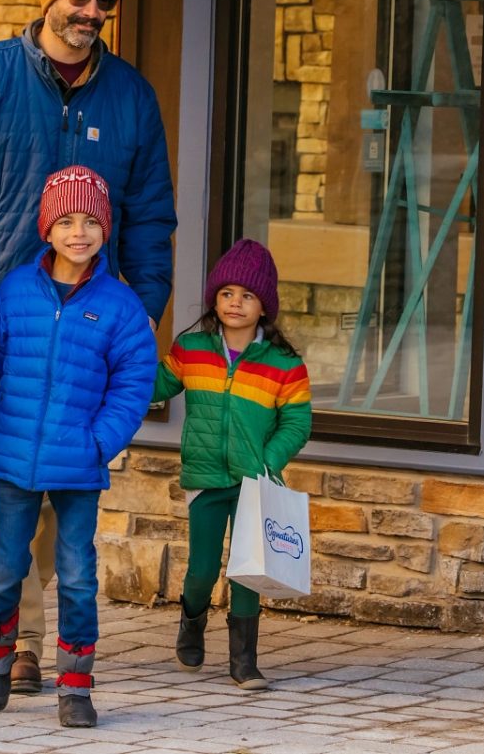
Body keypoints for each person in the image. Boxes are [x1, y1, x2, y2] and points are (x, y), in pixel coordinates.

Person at [0, 0, 178, 691]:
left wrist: (140, 312)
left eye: (102, 2)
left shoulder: (131, 95)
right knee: (7, 480)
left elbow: (151, 215)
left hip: (94, 321)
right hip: (8, 311)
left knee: (66, 475)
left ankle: (51, 633)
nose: (89, 13)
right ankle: (19, 639)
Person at [0, 166, 158, 729]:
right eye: (67, 220)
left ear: (105, 230)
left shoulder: (121, 306)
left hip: (78, 462)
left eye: (92, 221)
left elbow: (133, 383)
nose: (80, 232)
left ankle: (75, 683)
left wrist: (98, 441)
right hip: (13, 452)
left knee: (78, 574)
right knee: (3, 566)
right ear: (47, 228)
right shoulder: (15, 290)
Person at [151, 239, 311, 690]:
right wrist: (126, 365)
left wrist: (269, 460)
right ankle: (192, 620)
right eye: (226, 294)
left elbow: (297, 421)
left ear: (264, 307)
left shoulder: (284, 364)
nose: (235, 303)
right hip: (204, 478)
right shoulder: (192, 349)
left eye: (247, 295)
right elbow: (156, 386)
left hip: (254, 483)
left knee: (247, 570)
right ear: (214, 300)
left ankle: (244, 661)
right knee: (201, 569)